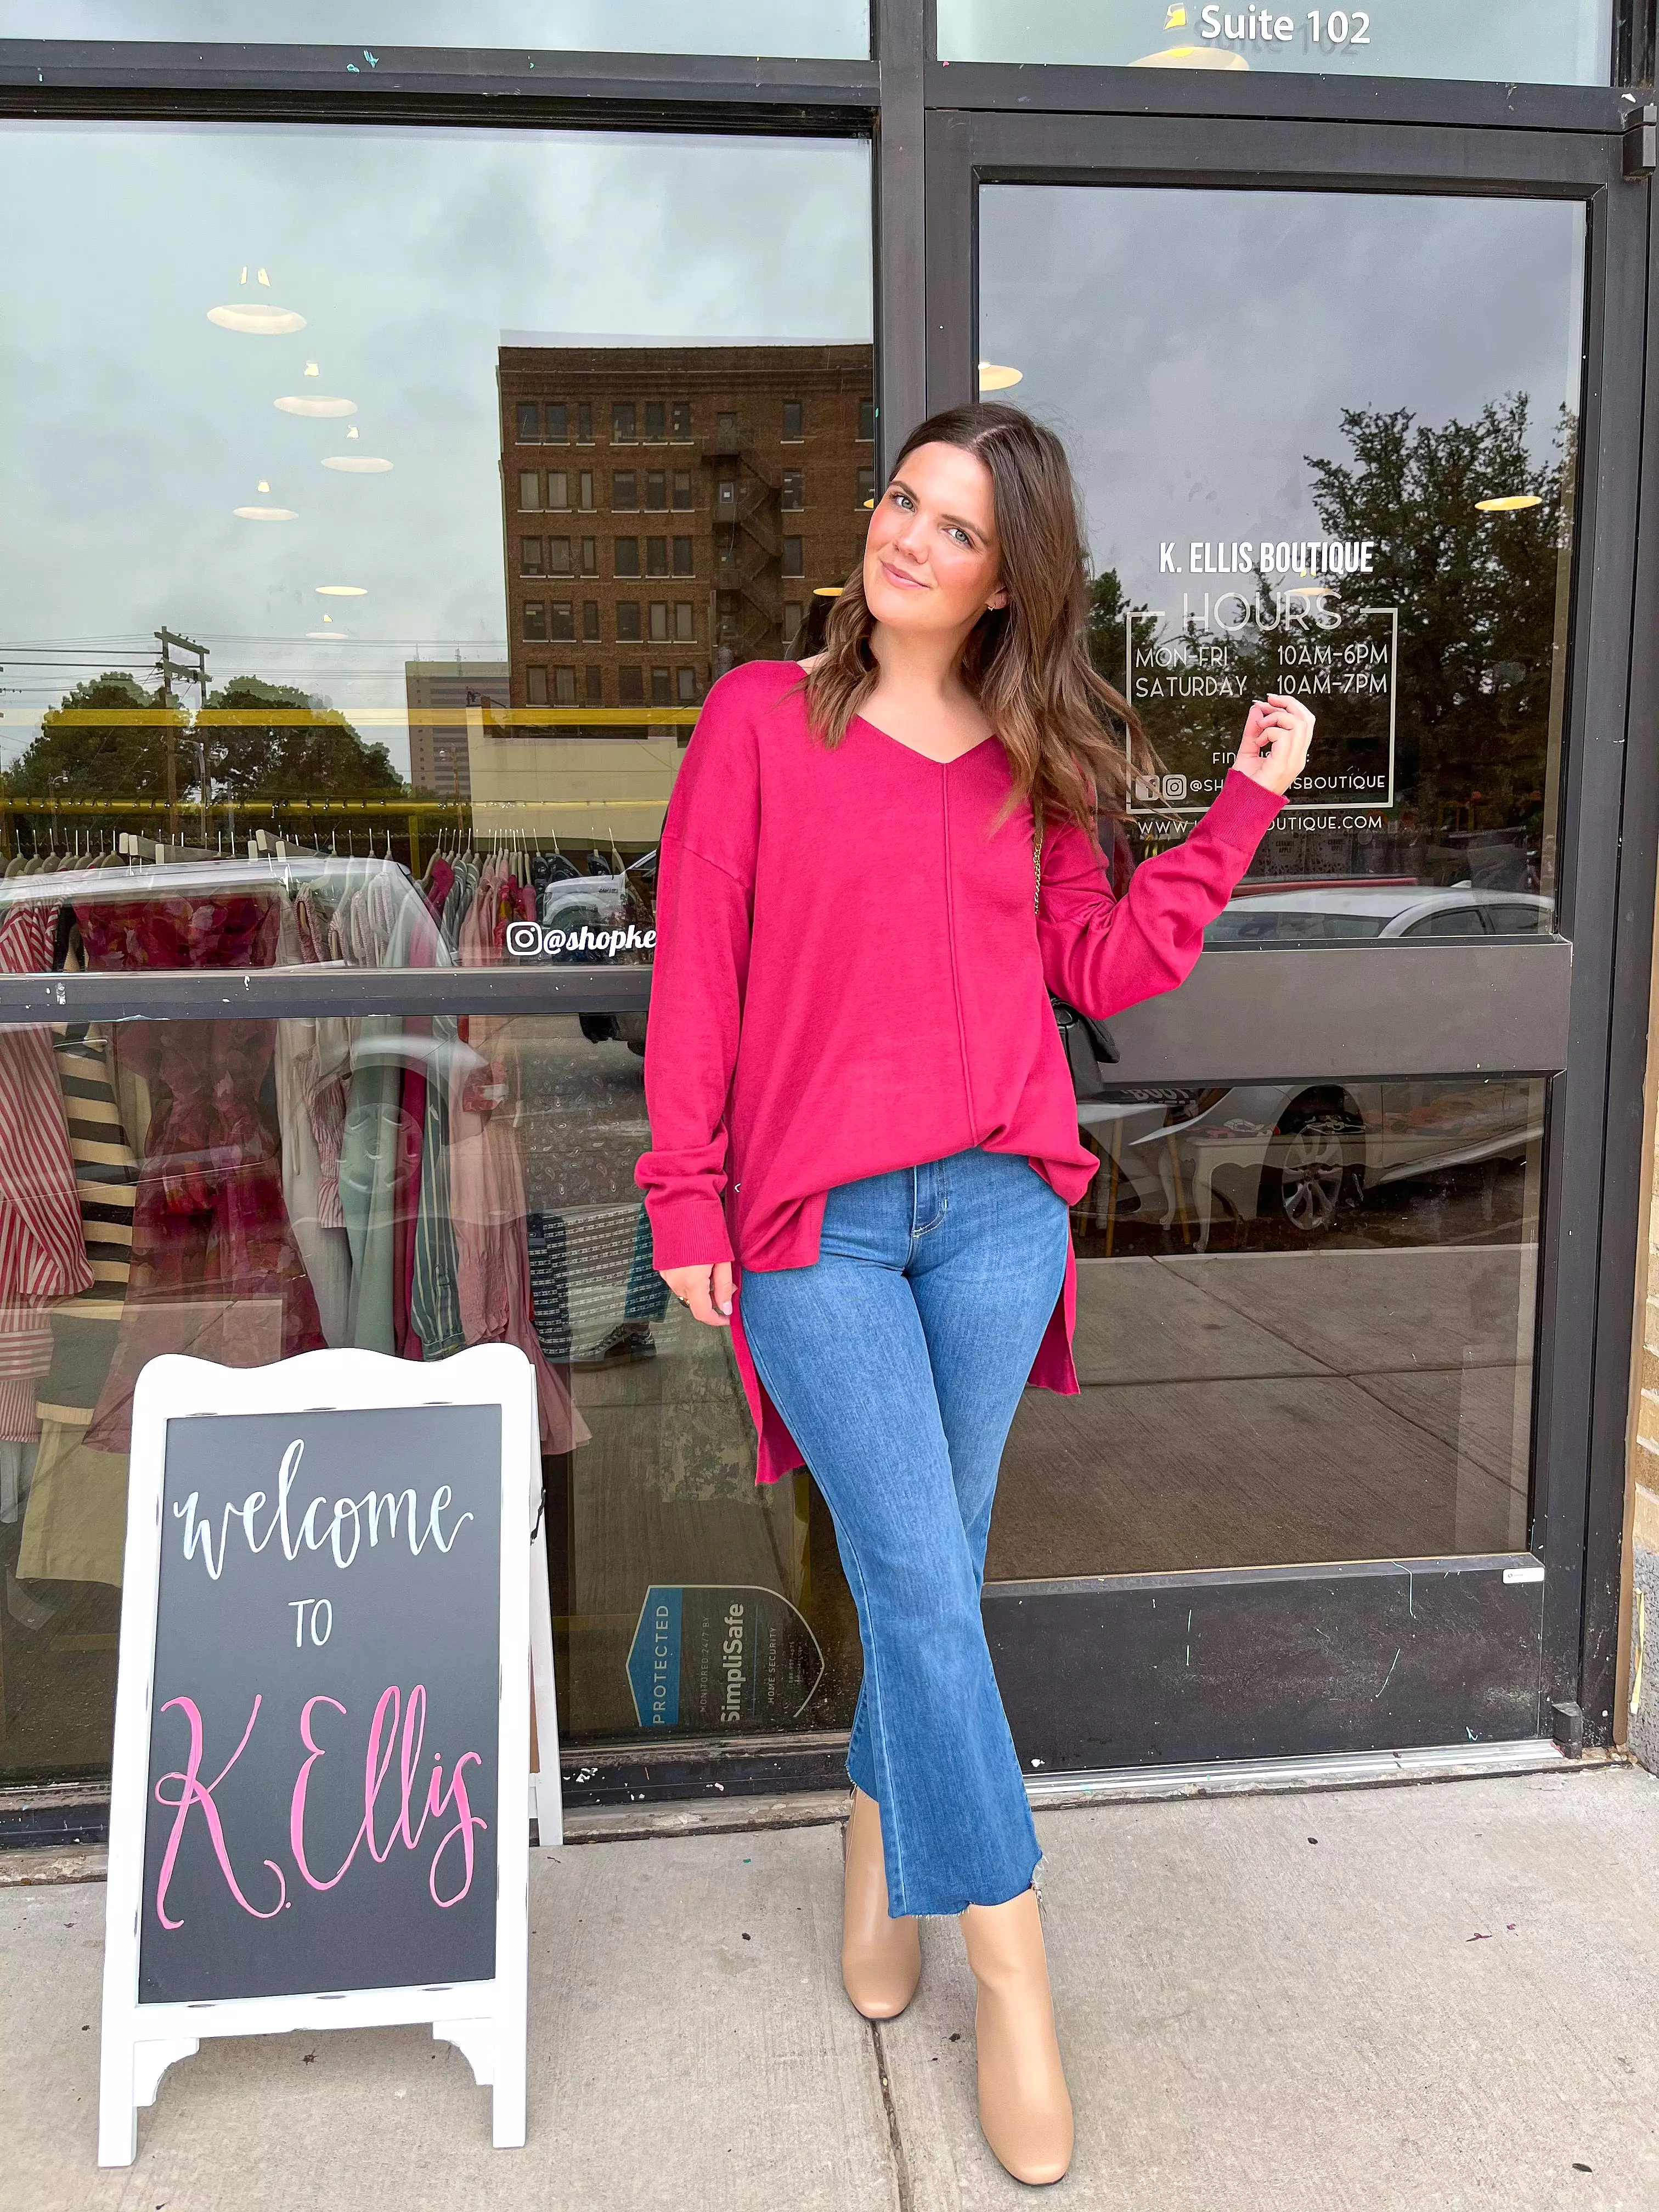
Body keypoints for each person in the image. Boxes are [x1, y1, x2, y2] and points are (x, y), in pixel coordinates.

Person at [635, 402, 1313, 2185]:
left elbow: (1108, 962)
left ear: (1012, 579)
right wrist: (680, 1195)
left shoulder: (1035, 768)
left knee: (929, 1573)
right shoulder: (759, 723)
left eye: (953, 528)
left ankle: (879, 1830)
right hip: (820, 1230)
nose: (905, 539)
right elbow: (699, 971)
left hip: (1000, 1215)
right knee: (927, 1590)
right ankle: (1016, 1980)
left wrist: (1244, 803)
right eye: (900, 504)